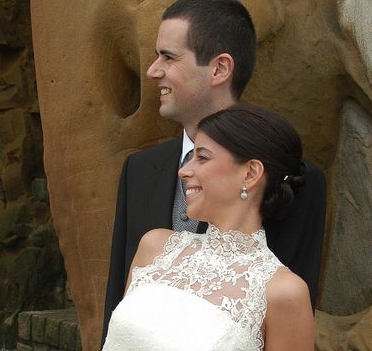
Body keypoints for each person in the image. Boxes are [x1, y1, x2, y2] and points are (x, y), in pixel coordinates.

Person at [102, 0, 326, 343]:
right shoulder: (140, 170)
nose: (152, 70)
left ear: (220, 68)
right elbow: (117, 306)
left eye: (169, 57)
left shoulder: (297, 179)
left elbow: (288, 321)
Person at [103, 105, 315, 350]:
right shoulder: (155, 247)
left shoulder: (283, 292)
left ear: (251, 173)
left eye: (202, 157)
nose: (183, 170)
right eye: (190, 156)